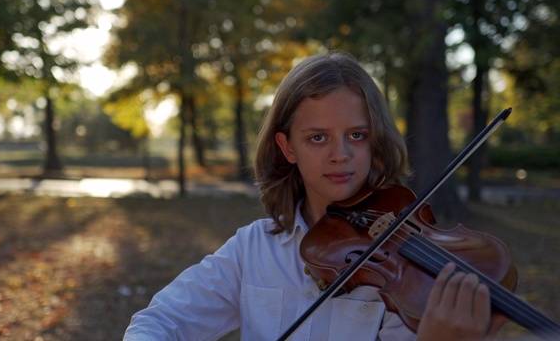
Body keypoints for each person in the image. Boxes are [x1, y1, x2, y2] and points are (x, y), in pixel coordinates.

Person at [123, 51, 504, 340]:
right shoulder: (251, 250)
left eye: (357, 134)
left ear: (375, 142)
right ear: (288, 148)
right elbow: (157, 322)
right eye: (317, 137)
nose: (340, 154)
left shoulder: (403, 277)